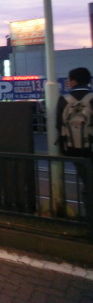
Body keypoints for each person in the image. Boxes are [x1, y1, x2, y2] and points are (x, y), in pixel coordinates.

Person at [56, 67, 93, 210]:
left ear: (73, 81)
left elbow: (58, 124)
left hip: (73, 147)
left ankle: (89, 217)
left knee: (86, 181)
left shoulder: (64, 99)